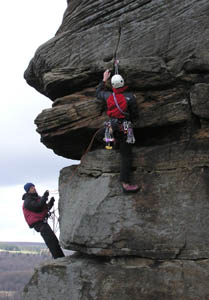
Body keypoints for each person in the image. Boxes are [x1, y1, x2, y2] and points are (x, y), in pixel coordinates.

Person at [96, 69, 139, 193]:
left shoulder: (108, 96)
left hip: (111, 125)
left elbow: (98, 93)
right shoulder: (130, 97)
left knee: (102, 135)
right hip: (126, 127)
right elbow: (135, 114)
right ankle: (125, 184)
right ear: (123, 83)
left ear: (113, 85)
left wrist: (104, 79)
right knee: (126, 155)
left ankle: (111, 143)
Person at [22, 182, 65, 259]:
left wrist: (51, 203)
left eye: (34, 186)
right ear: (28, 190)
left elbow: (44, 209)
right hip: (39, 225)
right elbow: (37, 207)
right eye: (31, 187)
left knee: (54, 241)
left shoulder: (36, 198)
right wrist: (45, 196)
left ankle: (60, 258)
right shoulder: (27, 201)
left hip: (43, 223)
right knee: (52, 242)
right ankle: (59, 258)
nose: (34, 188)